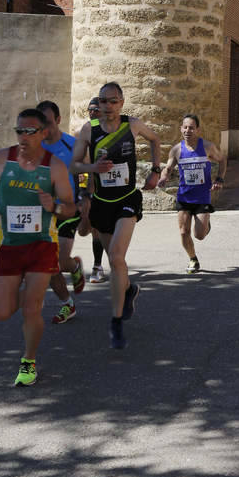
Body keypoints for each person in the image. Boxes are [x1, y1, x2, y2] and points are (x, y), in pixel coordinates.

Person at [0, 108, 75, 386]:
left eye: (30, 131)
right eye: (19, 130)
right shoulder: (1, 159)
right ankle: (23, 294)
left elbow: (69, 207)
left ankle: (28, 362)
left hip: (41, 244)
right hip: (8, 244)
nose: (23, 136)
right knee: (2, 312)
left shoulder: (54, 165)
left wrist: (53, 206)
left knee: (32, 308)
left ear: (43, 133)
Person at [70, 81, 161, 350]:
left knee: (117, 257)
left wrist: (156, 170)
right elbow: (74, 165)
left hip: (127, 199)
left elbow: (155, 139)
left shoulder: (132, 125)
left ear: (121, 103)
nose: (107, 106)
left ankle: (117, 321)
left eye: (112, 101)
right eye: (102, 101)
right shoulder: (88, 130)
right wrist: (93, 167)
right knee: (114, 263)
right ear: (97, 104)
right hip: (101, 203)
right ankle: (129, 289)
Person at [37, 100, 86, 325]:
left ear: (58, 119)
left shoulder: (72, 145)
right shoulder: (35, 146)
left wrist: (86, 197)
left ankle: (73, 266)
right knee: (49, 263)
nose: (44, 127)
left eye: (48, 121)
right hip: (43, 213)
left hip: (68, 210)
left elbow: (87, 172)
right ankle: (69, 303)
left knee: (56, 261)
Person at [158, 114, 226, 273]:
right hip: (184, 196)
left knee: (199, 235)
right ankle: (193, 259)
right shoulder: (176, 150)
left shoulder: (207, 147)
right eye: (185, 127)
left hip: (202, 196)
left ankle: (205, 225)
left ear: (198, 130)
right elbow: (168, 168)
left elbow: (222, 159)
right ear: (181, 129)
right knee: (183, 232)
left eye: (191, 128)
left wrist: (220, 179)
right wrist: (163, 177)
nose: (188, 130)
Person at [85, 97, 107, 284]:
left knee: (111, 231)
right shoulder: (87, 131)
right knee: (95, 229)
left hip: (114, 188)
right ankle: (97, 265)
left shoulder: (114, 130)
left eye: (96, 110)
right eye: (90, 110)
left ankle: (115, 261)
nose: (92, 113)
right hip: (93, 186)